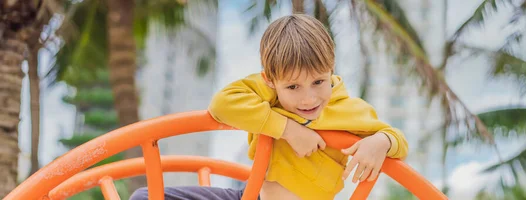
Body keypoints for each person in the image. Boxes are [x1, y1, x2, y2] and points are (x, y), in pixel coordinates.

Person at [130, 14, 408, 200]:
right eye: (293, 87)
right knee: (144, 197)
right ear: (270, 80)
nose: (308, 98)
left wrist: (381, 142)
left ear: (330, 69)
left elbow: (398, 140)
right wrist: (289, 130)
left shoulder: (350, 110)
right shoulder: (268, 95)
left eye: (318, 81)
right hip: (252, 196)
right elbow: (222, 104)